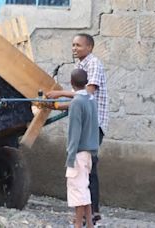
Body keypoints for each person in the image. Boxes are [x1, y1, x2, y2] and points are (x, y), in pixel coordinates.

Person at [46, 33, 109, 224]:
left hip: (93, 123)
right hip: (87, 120)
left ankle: (85, 216)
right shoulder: (79, 66)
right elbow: (79, 98)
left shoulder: (93, 64)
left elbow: (85, 94)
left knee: (84, 175)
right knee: (86, 172)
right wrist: (57, 104)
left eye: (79, 45)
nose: (74, 48)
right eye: (73, 45)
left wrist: (59, 95)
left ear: (89, 47)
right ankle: (89, 218)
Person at [66, 68, 99, 228]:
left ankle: (78, 224)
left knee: (77, 190)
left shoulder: (76, 103)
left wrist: (70, 156)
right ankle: (90, 223)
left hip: (78, 152)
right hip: (89, 151)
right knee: (84, 188)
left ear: (71, 83)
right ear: (86, 83)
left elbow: (74, 132)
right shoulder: (91, 99)